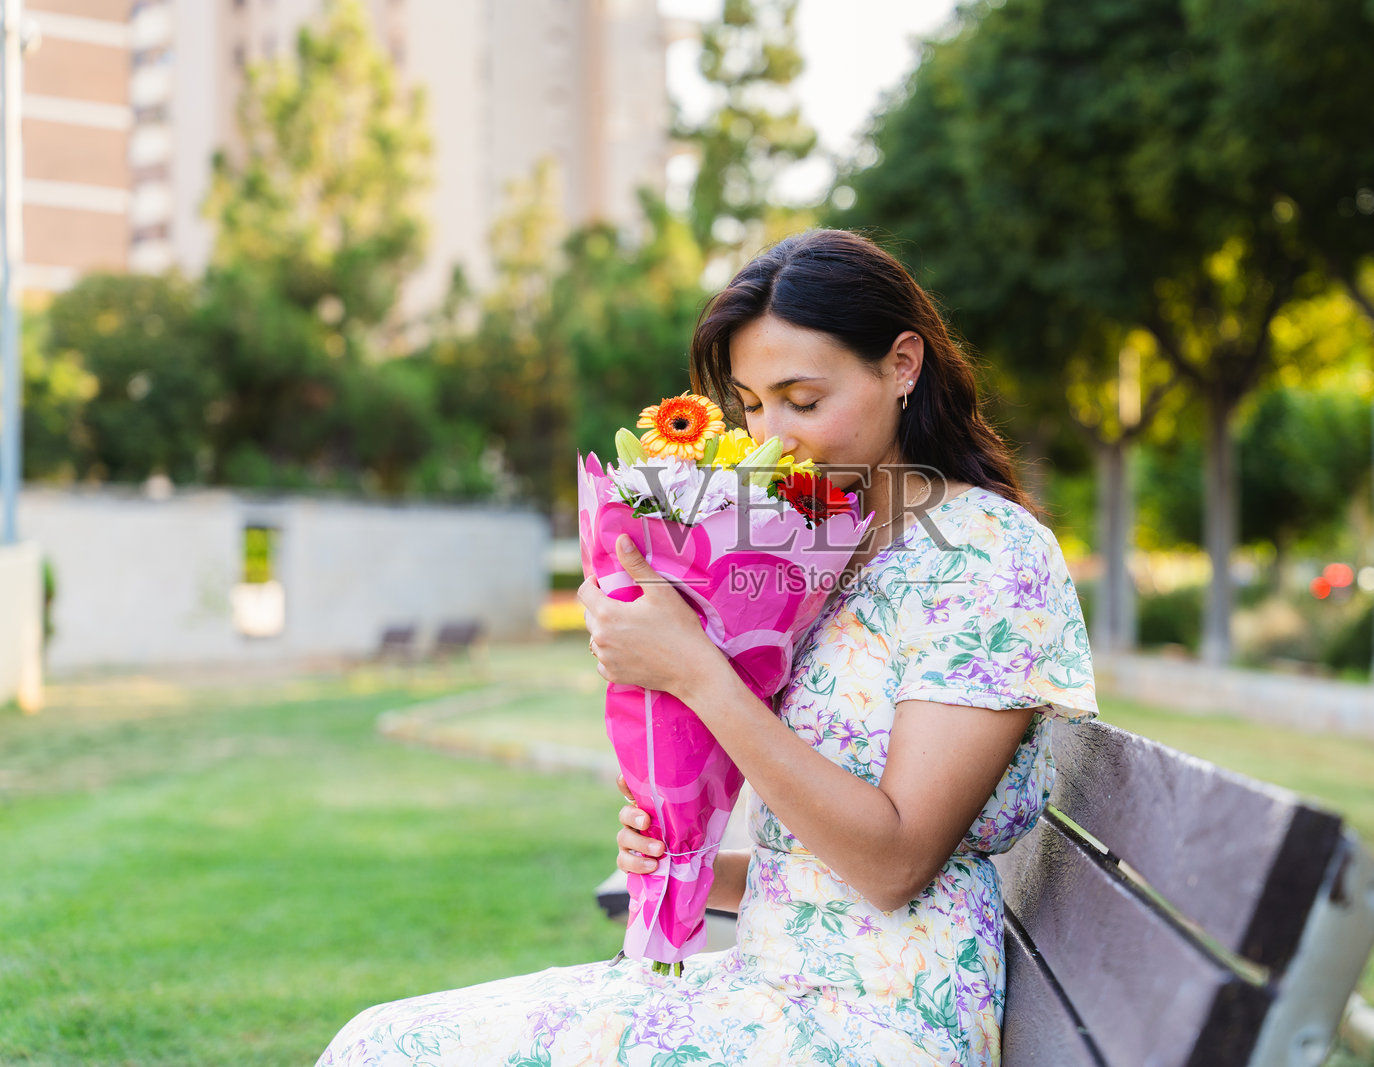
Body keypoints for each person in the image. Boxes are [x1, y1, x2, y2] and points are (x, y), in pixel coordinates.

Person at [315, 229, 1097, 1066]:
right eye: (752, 405)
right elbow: (819, 856)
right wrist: (692, 861)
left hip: (879, 1023)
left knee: (392, 1053)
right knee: (382, 1037)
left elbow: (897, 861)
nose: (773, 440)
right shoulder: (824, 545)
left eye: (802, 400)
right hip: (764, 985)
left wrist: (693, 670)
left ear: (902, 365)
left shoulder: (983, 555)